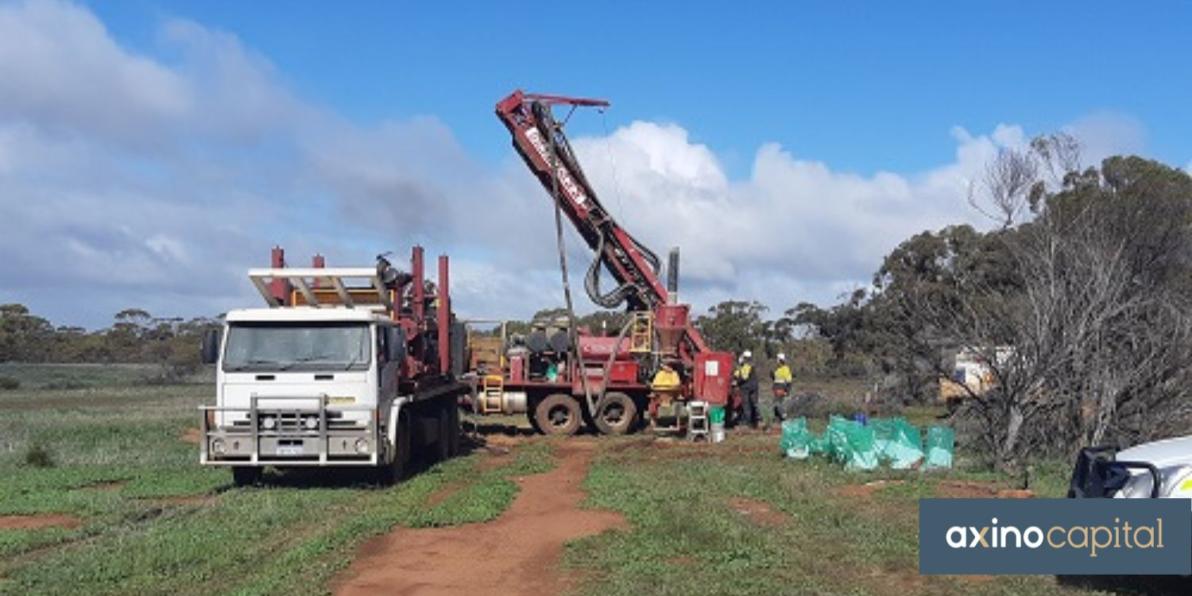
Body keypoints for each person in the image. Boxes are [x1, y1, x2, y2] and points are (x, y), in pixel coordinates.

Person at [734, 350, 759, 429]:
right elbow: (737, 374)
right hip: (754, 387)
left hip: (746, 387)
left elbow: (743, 377)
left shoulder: (746, 366)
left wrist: (736, 382)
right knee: (754, 404)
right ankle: (755, 422)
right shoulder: (750, 365)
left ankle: (748, 422)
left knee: (746, 404)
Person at [771, 353, 793, 423]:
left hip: (781, 388)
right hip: (776, 388)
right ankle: (778, 419)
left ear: (780, 360)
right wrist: (772, 376)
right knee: (776, 404)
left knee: (778, 403)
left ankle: (784, 416)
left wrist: (787, 390)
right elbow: (776, 379)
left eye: (777, 359)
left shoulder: (785, 369)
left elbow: (789, 380)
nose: (776, 361)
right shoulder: (778, 369)